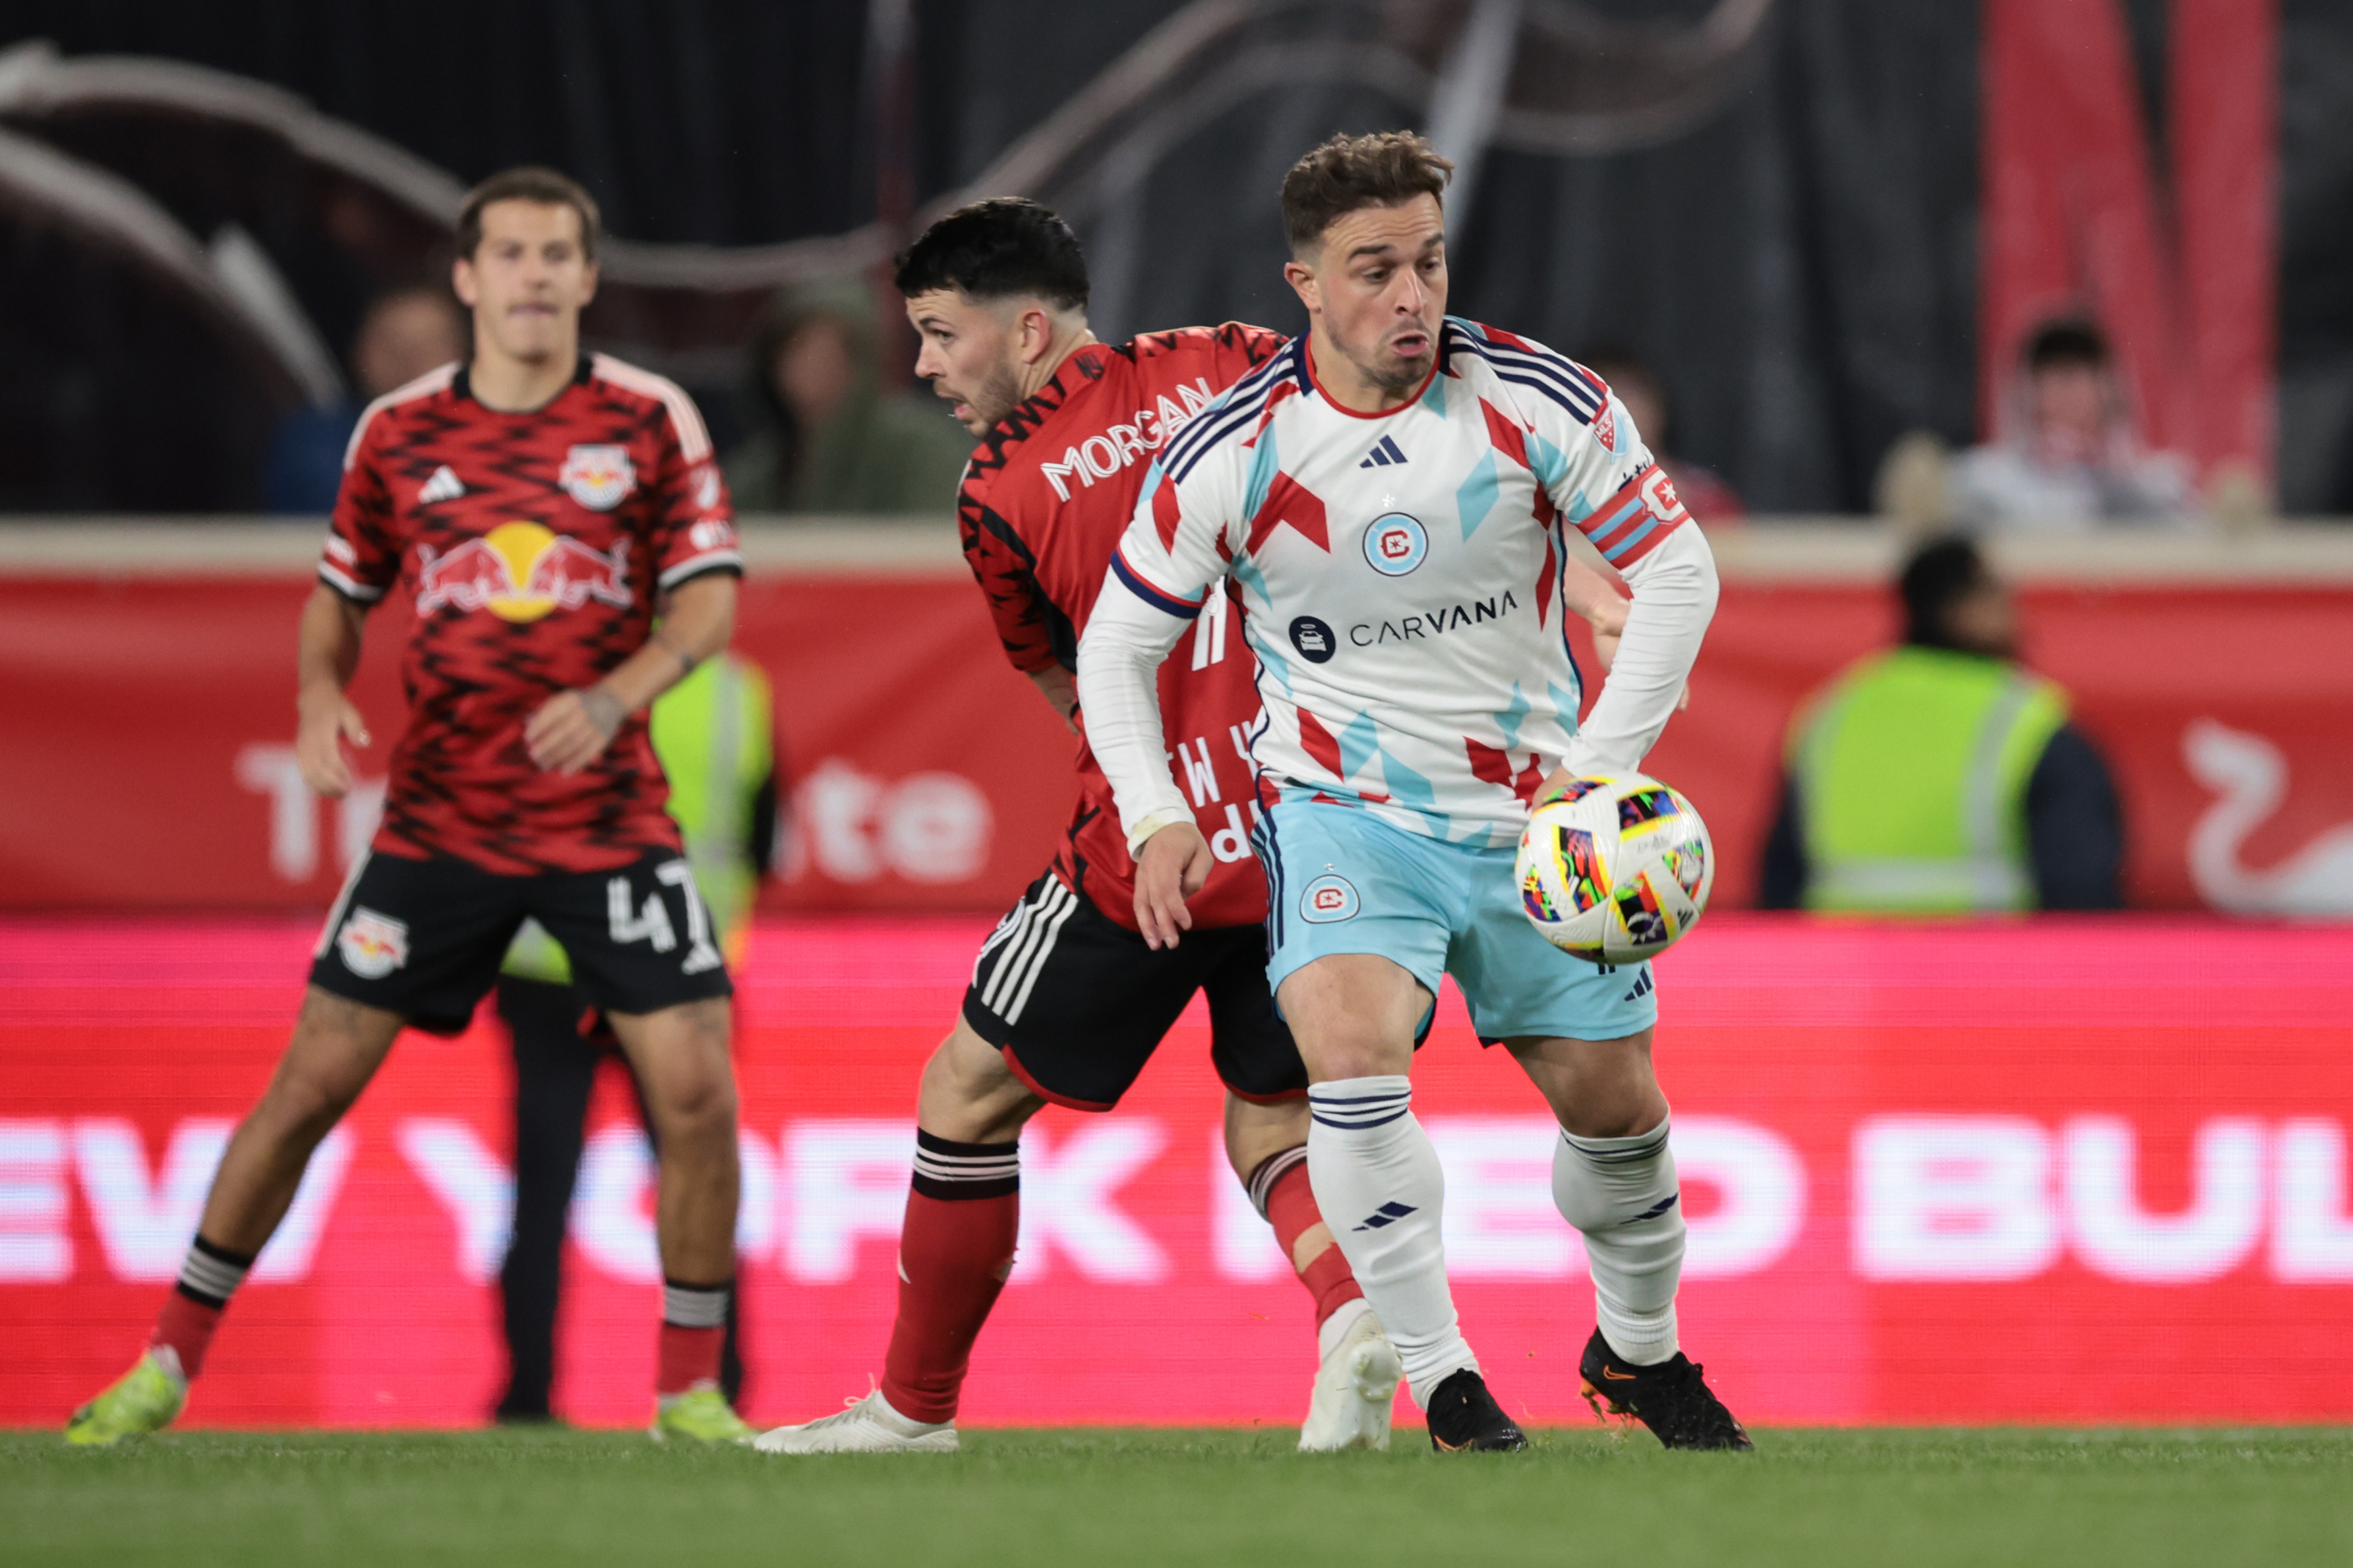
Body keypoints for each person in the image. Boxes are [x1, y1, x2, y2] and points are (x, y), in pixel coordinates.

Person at [1075, 132, 1750, 1453]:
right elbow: (1117, 643)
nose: (1409, 297)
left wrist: (1600, 765)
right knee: (1349, 1055)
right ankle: (1444, 1380)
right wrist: (1153, 808)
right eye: (1372, 269)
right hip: (1342, 808)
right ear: (1303, 285)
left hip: (1530, 820)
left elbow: (1678, 574)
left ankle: (1638, 1354)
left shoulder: (1530, 397)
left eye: (1427, 262)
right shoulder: (1235, 449)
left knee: (1616, 1113)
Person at [67, 167, 756, 1447]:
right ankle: (164, 1364)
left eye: (559, 254)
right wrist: (317, 694)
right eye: (512, 253)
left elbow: (709, 599)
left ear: (589, 279)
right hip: (441, 824)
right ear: (468, 277)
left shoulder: (648, 419)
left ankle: (687, 1389)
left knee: (697, 1088)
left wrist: (621, 693)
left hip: (606, 825)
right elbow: (338, 590)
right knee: (307, 1089)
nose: (536, 274)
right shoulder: (398, 431)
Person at [756, 198, 1424, 1457]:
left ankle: (911, 1413)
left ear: (1020, 328)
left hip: (1147, 858)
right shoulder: (1235, 359)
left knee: (962, 1092)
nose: (923, 366)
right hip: (1314, 834)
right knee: (1272, 1116)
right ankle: (1348, 1316)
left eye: (940, 335)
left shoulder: (999, 489)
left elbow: (1072, 683)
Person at [492, 649, 777, 1423]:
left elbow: (489, 824)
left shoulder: (538, 675)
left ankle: (524, 1397)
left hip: (548, 969)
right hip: (678, 974)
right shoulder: (730, 691)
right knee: (702, 1181)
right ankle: (713, 1387)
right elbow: (763, 842)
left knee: (539, 1198)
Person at [1759, 535, 2124, 912]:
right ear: (1960, 608)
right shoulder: (2028, 722)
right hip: (1983, 961)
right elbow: (2080, 890)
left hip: (1842, 962)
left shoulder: (1832, 713)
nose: (2014, 611)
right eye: (1997, 592)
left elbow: (1781, 878)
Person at [721, 276, 972, 514]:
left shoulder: (921, 449)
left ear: (862, 363)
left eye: (828, 354)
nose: (810, 369)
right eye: (798, 349)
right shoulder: (756, 473)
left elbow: (938, 544)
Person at [1951, 317, 2192, 529]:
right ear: (2026, 391)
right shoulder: (1986, 481)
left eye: (2081, 374)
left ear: (2110, 389)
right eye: (2053, 375)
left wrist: (2110, 481)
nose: (2068, 390)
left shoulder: (2160, 482)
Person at [265, 285, 470, 514]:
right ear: (358, 352)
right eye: (391, 345)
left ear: (466, 354)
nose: (408, 361)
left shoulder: (497, 438)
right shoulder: (313, 444)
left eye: (428, 346)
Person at [1578, 345, 1744, 521]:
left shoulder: (1704, 496)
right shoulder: (1554, 500)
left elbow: (1737, 543)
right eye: (1599, 400)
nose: (1617, 411)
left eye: (1629, 395)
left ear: (1658, 406)